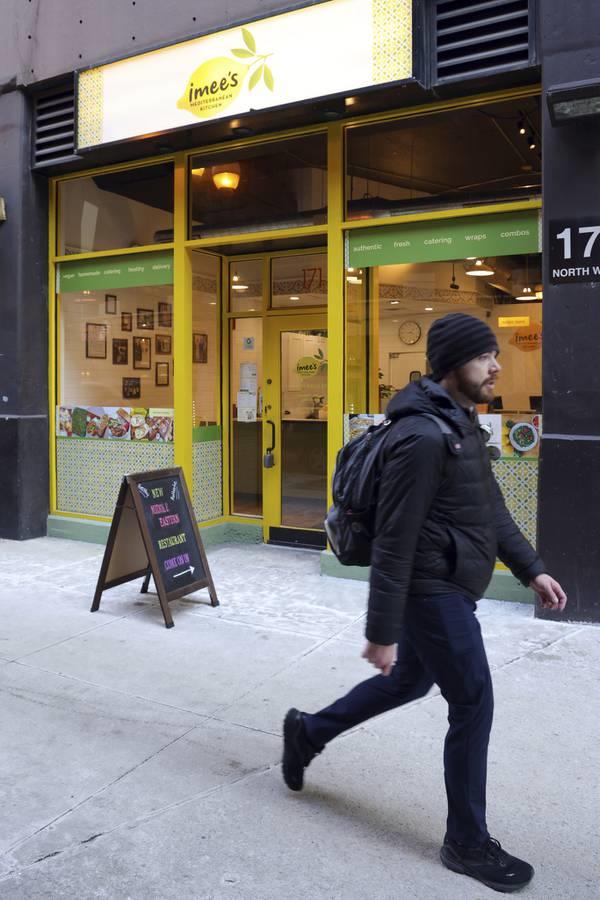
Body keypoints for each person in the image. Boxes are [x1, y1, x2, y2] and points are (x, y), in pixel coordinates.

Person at [282, 312, 567, 894]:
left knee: (409, 683)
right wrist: (381, 629)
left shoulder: (459, 425)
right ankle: (465, 841)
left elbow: (489, 512)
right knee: (473, 701)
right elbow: (395, 537)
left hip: (448, 585)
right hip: (430, 589)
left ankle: (307, 732)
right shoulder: (422, 436)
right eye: (484, 356)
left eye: (494, 355)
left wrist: (531, 569)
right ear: (452, 364)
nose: (496, 365)